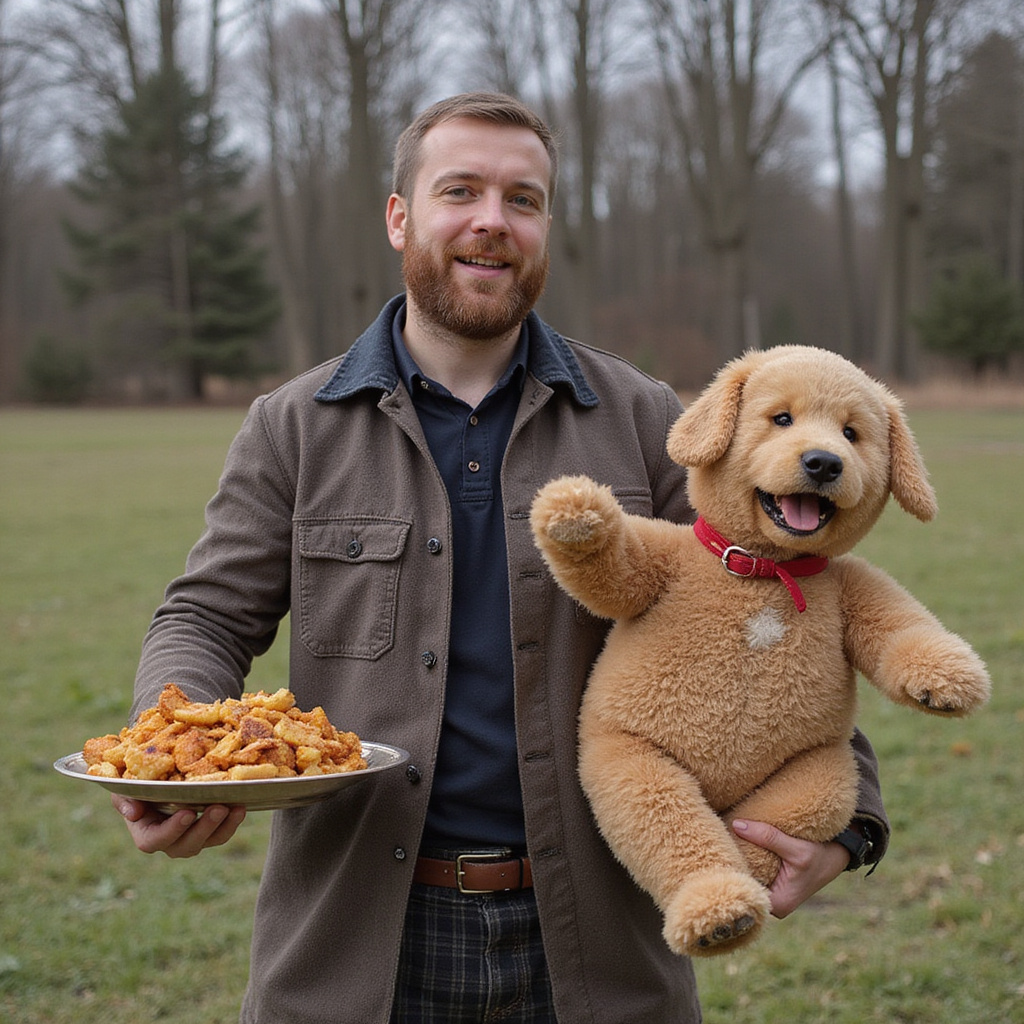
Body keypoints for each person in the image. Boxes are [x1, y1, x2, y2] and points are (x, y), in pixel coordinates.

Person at [112, 92, 888, 1023]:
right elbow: (205, 615)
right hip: (352, 949)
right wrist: (171, 753)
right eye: (461, 190)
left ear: (546, 225)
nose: (493, 221)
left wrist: (851, 814)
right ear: (400, 215)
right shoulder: (294, 426)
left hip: (598, 952)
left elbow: (770, 602)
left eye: (523, 199)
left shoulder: (646, 418)